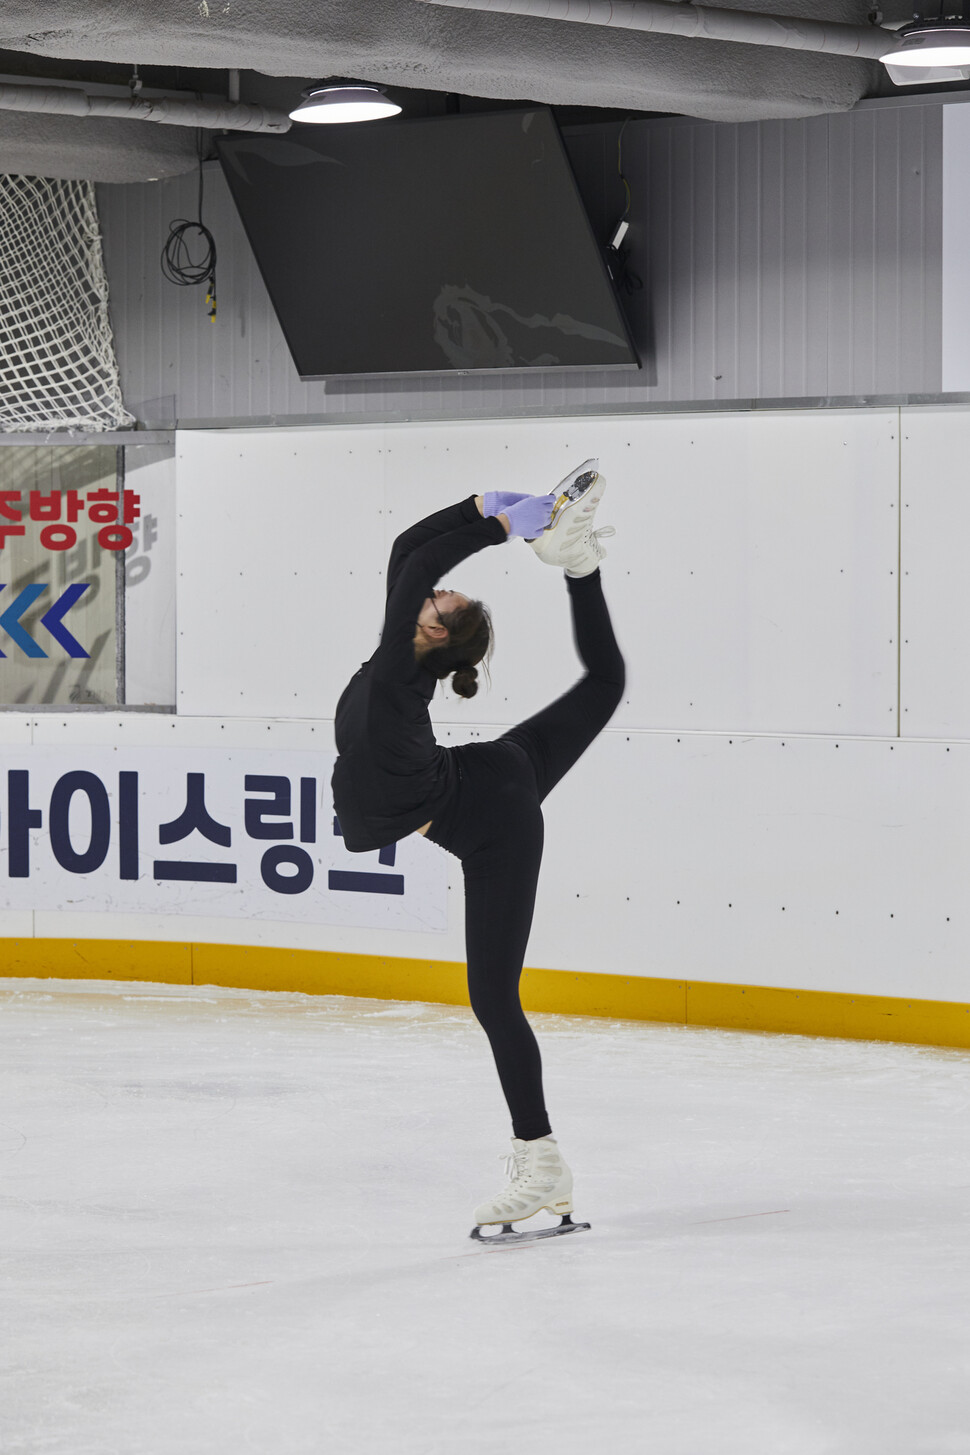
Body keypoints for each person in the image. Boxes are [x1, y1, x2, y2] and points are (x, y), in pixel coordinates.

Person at [332, 459, 625, 1240]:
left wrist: (504, 526)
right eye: (435, 600)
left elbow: (422, 564)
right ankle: (581, 566)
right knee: (604, 684)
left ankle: (542, 1160)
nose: (426, 597)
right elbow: (409, 551)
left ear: (432, 634)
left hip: (496, 823)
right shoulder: (400, 660)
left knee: (493, 998)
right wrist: (485, 503)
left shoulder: (399, 672)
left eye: (437, 604)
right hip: (492, 775)